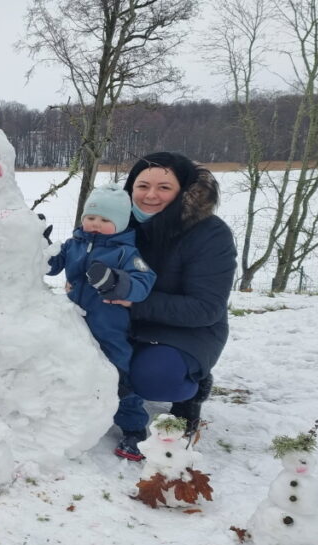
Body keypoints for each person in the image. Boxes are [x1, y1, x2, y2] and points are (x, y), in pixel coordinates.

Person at [109, 152, 237, 459]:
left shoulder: (210, 233)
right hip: (124, 321)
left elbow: (206, 308)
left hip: (189, 330)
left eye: (164, 187)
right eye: (142, 186)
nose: (151, 195)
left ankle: (191, 390)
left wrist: (133, 302)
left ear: (184, 190)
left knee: (154, 378)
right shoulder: (118, 223)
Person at [47, 183, 157, 460]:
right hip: (73, 323)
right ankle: (67, 415)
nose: (96, 224)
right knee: (67, 367)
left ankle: (133, 429)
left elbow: (144, 281)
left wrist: (117, 283)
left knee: (118, 375)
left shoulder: (126, 253)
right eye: (91, 217)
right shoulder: (73, 245)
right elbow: (50, 266)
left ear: (120, 223)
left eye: (105, 220)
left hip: (110, 328)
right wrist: (40, 245)